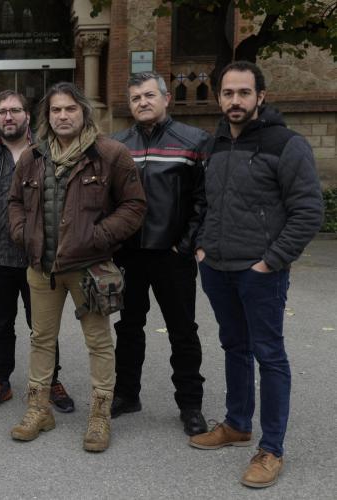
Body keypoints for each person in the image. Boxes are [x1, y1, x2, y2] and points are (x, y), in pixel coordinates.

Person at [189, 61, 324, 488]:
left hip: (260, 272)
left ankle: (272, 449)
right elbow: (204, 202)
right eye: (228, 93)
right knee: (234, 346)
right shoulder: (214, 145)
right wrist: (201, 247)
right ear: (218, 97)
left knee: (269, 354)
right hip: (217, 268)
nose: (235, 100)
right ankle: (236, 424)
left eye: (244, 92)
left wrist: (272, 260)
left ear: (260, 96)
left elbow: (308, 211)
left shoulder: (286, 144)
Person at [8, 82, 146, 451]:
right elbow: (15, 201)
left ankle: (99, 416)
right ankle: (39, 409)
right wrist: (23, 233)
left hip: (90, 268)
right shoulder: (33, 156)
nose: (63, 116)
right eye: (56, 110)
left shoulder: (111, 154)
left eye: (70, 109)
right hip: (42, 267)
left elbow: (134, 206)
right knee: (41, 338)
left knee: (98, 342)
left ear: (84, 112)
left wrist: (98, 236)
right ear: (47, 116)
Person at [111, 72, 208, 435]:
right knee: (128, 329)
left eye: (149, 95)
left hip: (173, 255)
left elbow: (204, 200)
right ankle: (126, 394)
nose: (143, 102)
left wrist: (185, 244)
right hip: (129, 255)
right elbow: (108, 199)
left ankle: (190, 405)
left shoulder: (194, 141)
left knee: (183, 332)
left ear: (166, 99)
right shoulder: (118, 145)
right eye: (136, 98)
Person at [0, 90, 74, 413]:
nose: (8, 116)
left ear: (27, 116)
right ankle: (1, 380)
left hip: (39, 257)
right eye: (2, 111)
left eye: (15, 110)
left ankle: (51, 381)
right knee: (0, 324)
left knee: (42, 326)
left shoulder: (47, 152)